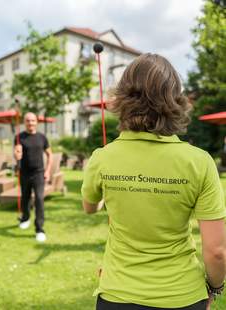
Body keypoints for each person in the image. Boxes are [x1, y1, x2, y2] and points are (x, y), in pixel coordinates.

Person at [81, 53, 226, 310]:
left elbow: (89, 207)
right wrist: (215, 287)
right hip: (182, 297)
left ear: (123, 98)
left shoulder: (102, 158)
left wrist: (110, 194)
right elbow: (216, 251)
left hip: (118, 294)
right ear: (175, 100)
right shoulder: (200, 162)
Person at [14, 112, 52, 243]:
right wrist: (17, 155)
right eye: (28, 121)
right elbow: (17, 154)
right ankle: (25, 218)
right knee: (25, 197)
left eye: (33, 120)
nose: (30, 123)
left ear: (37, 122)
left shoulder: (42, 137)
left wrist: (47, 171)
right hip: (24, 173)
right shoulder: (19, 137)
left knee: (39, 199)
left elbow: (50, 155)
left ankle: (39, 229)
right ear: (24, 122)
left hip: (39, 173)